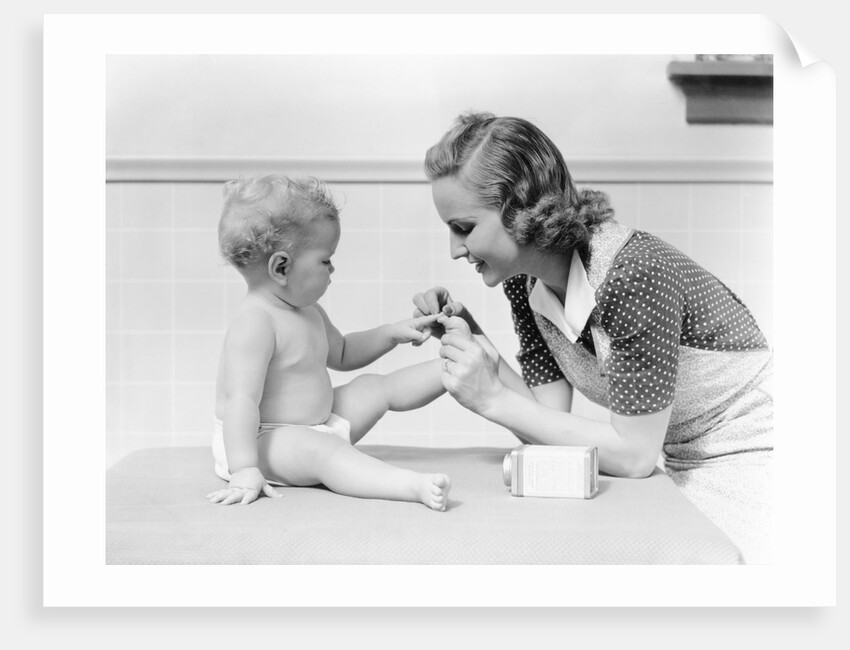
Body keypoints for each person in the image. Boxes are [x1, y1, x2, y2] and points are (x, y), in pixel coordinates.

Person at [415, 112, 773, 562]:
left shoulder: (632, 275)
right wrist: (473, 339)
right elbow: (544, 421)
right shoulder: (525, 284)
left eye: (464, 228)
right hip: (681, 457)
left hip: (754, 454)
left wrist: (490, 400)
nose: (454, 249)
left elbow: (634, 456)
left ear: (519, 209)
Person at [209, 174, 451, 510]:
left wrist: (391, 333)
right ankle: (411, 485)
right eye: (325, 260)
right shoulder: (255, 322)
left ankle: (452, 368)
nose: (332, 268)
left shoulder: (308, 310)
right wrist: (244, 468)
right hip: (260, 441)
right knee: (323, 452)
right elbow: (240, 401)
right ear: (281, 267)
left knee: (372, 387)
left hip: (317, 425)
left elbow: (343, 353)